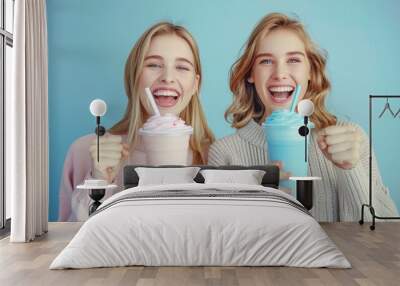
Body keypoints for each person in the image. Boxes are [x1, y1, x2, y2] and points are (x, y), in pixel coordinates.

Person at [208, 13, 398, 222]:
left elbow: (384, 240)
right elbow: (223, 241)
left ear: (310, 70)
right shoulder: (225, 152)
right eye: (266, 61)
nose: (280, 73)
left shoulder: (351, 138)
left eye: (293, 60)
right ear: (251, 74)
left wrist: (350, 170)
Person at [59, 22, 214, 221]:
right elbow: (69, 238)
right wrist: (99, 179)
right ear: (134, 77)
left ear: (195, 84)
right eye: (153, 65)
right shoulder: (85, 151)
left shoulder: (212, 157)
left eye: (182, 67)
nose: (168, 77)